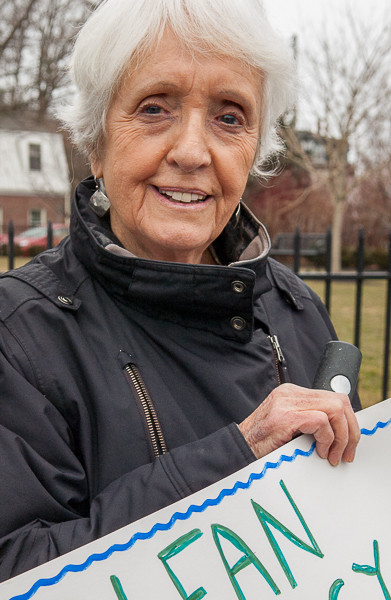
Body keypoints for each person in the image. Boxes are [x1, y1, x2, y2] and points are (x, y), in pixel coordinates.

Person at [0, 0, 361, 582]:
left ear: (253, 151)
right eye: (154, 108)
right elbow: (16, 566)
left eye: (229, 117)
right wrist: (237, 456)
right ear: (96, 140)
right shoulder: (19, 335)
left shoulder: (295, 307)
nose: (192, 152)